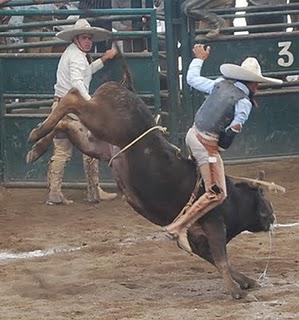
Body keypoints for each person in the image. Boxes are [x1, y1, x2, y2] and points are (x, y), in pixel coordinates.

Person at [164, 43, 282, 248]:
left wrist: (199, 59)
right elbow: (226, 142)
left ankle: (189, 220)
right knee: (217, 192)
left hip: (192, 135)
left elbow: (191, 79)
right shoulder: (243, 104)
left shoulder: (220, 83)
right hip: (206, 146)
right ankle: (179, 227)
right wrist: (223, 142)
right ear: (254, 84)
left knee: (203, 181)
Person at [46, 18, 118, 205]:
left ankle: (54, 192)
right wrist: (91, 103)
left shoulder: (72, 53)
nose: (88, 41)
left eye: (89, 38)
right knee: (91, 147)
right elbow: (78, 82)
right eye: (85, 38)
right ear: (76, 38)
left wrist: (103, 59)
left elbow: (84, 73)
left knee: (61, 151)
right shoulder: (77, 57)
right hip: (74, 109)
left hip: (59, 107)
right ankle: (94, 191)